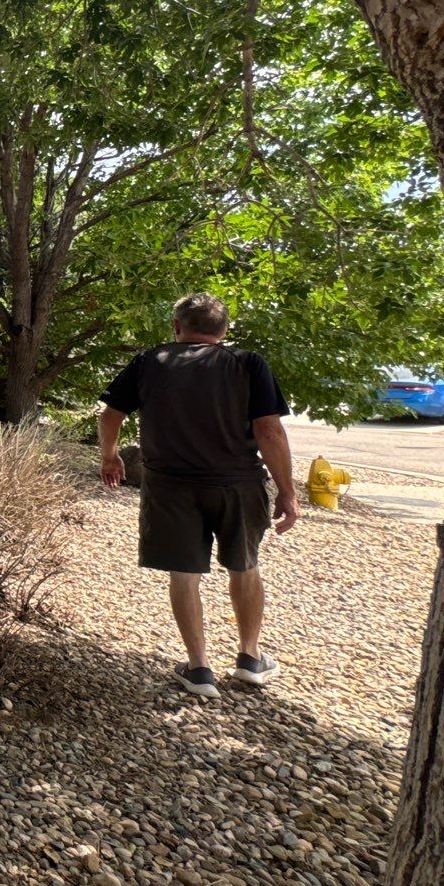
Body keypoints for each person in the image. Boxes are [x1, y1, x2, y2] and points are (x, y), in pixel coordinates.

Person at [97, 293, 299, 698]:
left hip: (170, 486)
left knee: (184, 574)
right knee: (245, 566)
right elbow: (270, 431)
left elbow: (110, 414)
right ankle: (250, 658)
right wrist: (288, 493)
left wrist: (110, 457)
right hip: (237, 484)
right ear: (223, 332)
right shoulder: (247, 364)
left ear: (177, 326)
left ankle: (199, 667)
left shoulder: (150, 362)